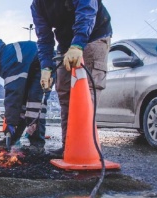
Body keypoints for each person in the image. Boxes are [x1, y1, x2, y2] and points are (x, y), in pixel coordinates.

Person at [31, 0, 112, 158]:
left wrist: (78, 45)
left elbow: (87, 11)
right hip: (65, 43)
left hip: (94, 35)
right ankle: (69, 147)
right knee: (64, 92)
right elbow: (44, 37)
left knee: (86, 91)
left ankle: (85, 150)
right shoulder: (37, 5)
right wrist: (46, 67)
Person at [0, 39, 54, 154]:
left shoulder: (7, 58)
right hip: (32, 69)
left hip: (44, 65)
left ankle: (37, 143)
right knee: (22, 106)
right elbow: (16, 97)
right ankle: (13, 139)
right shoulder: (0, 59)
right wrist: (11, 123)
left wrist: (10, 123)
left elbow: (14, 93)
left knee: (35, 104)